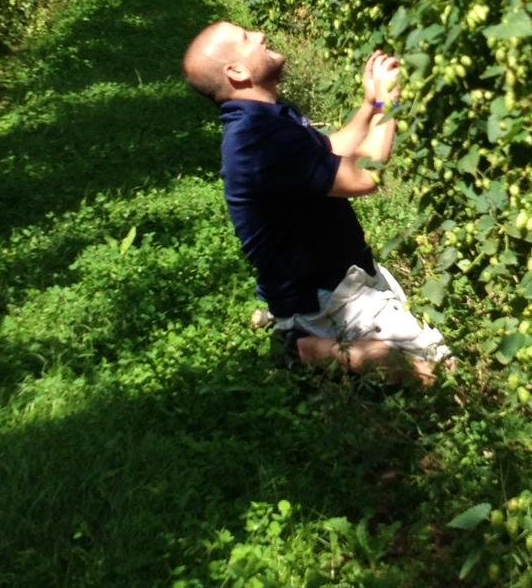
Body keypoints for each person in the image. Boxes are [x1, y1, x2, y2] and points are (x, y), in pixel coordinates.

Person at [182, 21, 452, 381]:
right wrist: (390, 103)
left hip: (339, 279)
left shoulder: (265, 117)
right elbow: (362, 177)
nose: (260, 35)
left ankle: (296, 328)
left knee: (419, 352)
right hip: (327, 296)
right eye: (247, 38)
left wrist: (371, 105)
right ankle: (304, 347)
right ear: (237, 71)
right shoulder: (255, 142)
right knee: (440, 371)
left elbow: (329, 150)